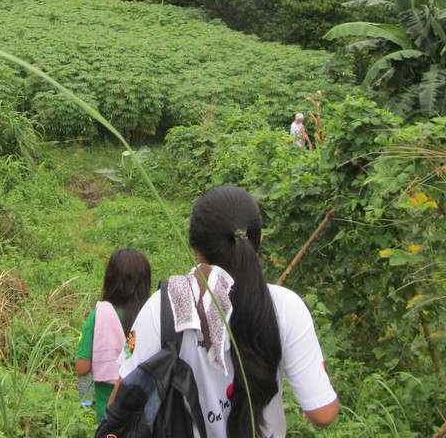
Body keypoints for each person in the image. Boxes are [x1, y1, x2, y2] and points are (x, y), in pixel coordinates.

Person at [115, 186, 338, 438]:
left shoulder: (166, 305)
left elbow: (122, 402)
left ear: (194, 249)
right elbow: (323, 414)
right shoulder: (286, 306)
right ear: (259, 242)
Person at [76, 248, 152, 423]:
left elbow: (82, 367)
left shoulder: (99, 316)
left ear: (110, 280)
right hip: (146, 413)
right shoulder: (152, 315)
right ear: (145, 282)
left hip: (109, 415)